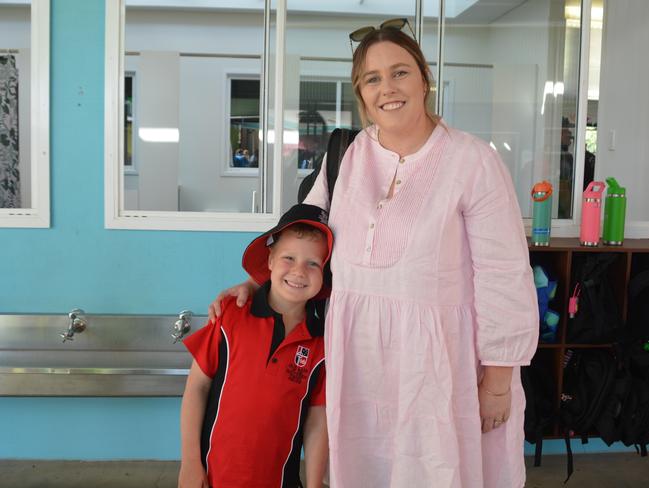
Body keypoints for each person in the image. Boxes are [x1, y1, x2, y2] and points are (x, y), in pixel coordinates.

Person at [209, 22, 538, 488]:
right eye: (373, 78)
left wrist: (498, 382)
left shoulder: (473, 161)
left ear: (424, 78)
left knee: (435, 468)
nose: (388, 88)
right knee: (366, 469)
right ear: (361, 93)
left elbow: (502, 273)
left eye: (400, 72)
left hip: (439, 365)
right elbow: (304, 242)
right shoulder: (346, 155)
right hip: (358, 359)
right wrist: (262, 283)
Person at [179, 204, 333, 488]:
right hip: (213, 479)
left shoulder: (322, 344)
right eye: (289, 257)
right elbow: (196, 388)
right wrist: (190, 462)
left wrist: (314, 485)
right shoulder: (230, 314)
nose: (299, 271)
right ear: (271, 260)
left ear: (325, 272)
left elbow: (317, 420)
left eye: (313, 263)